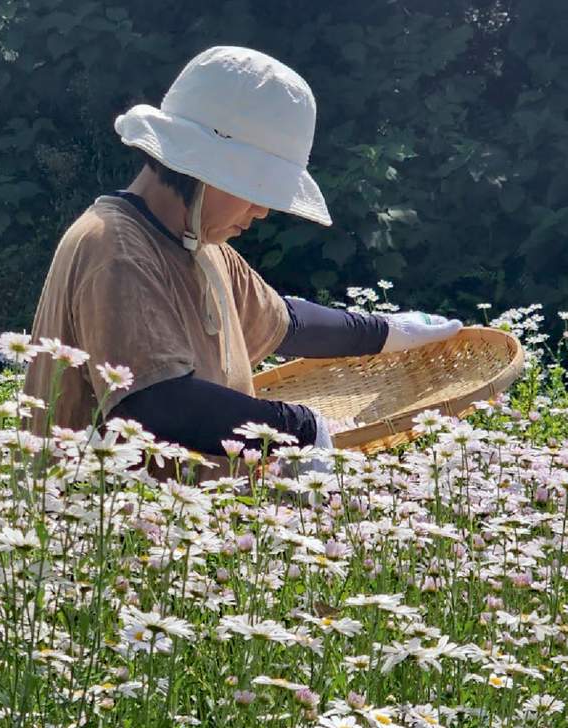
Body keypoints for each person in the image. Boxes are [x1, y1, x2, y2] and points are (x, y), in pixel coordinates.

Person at [24, 46, 462, 483]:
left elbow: (285, 322)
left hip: (182, 518)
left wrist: (387, 331)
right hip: (101, 518)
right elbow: (155, 404)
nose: (262, 210)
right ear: (202, 168)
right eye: (255, 188)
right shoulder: (116, 249)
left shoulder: (202, 246)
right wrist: (296, 428)